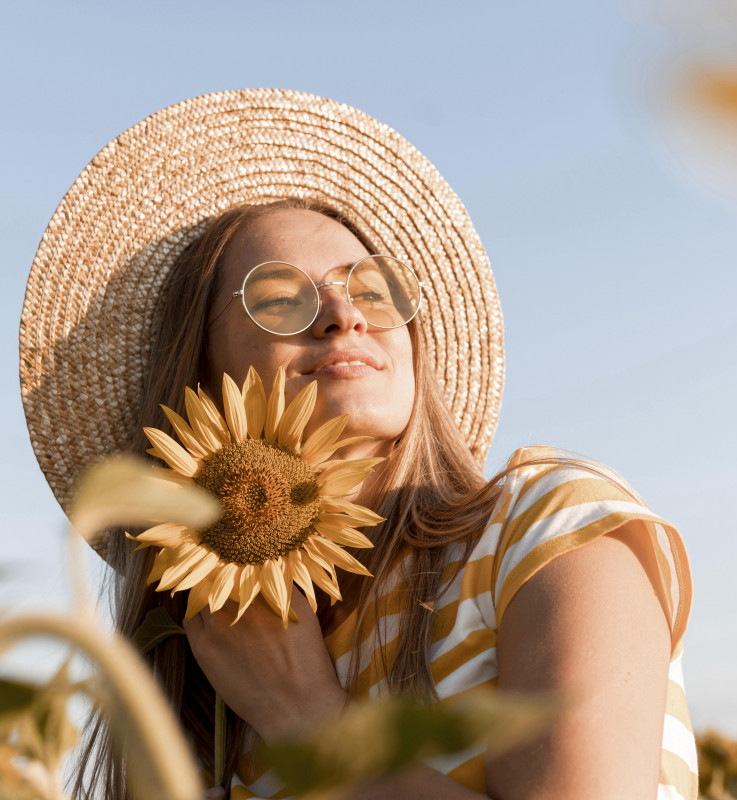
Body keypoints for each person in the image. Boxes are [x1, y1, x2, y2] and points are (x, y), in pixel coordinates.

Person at [20, 90, 696, 800]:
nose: (344, 317)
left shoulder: (547, 524)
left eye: (374, 291)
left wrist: (306, 719)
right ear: (201, 368)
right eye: (280, 299)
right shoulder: (213, 677)